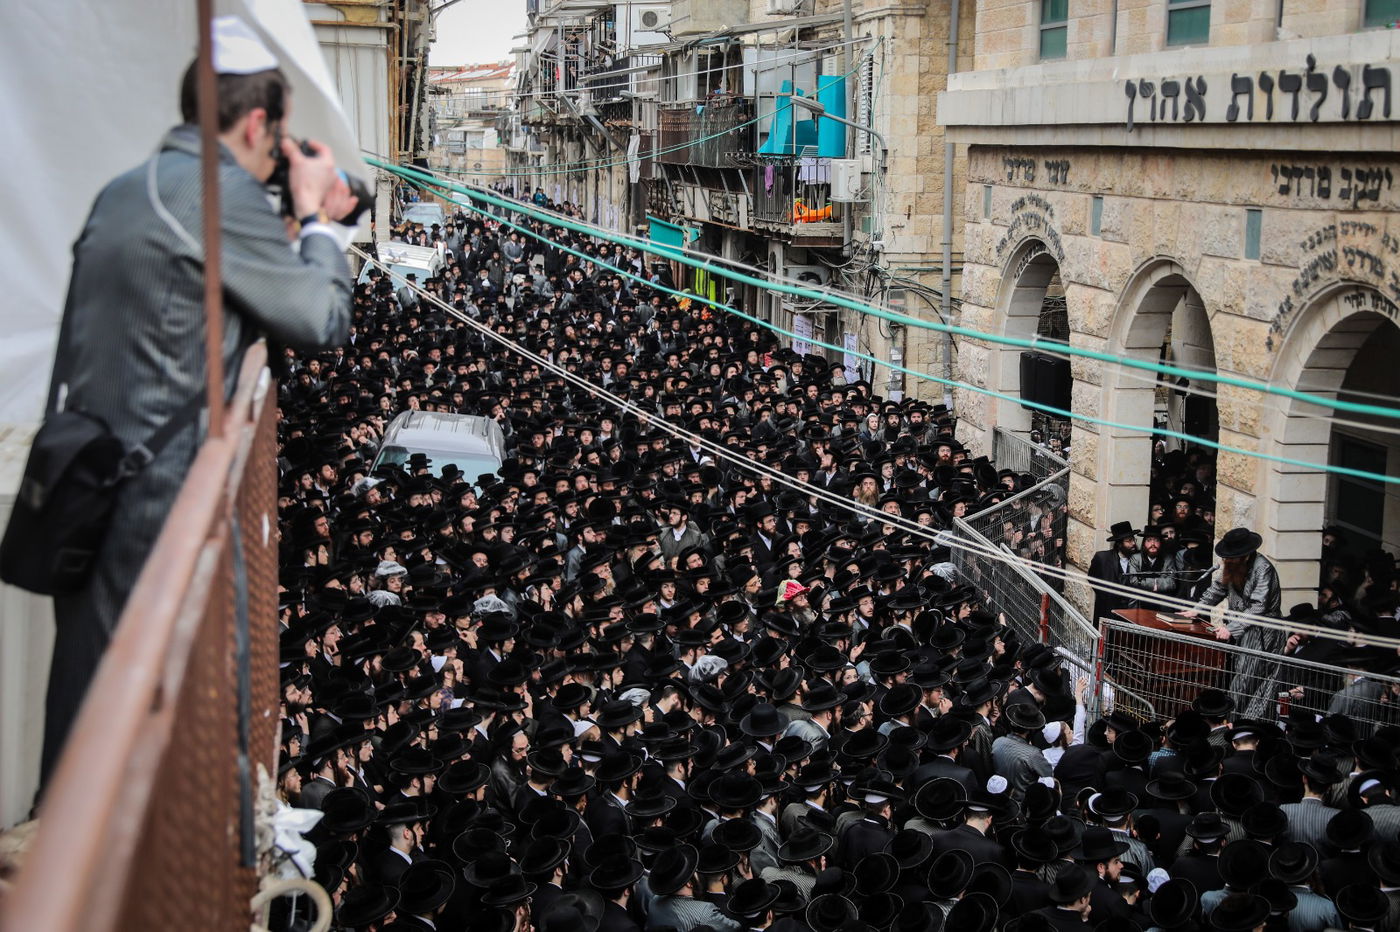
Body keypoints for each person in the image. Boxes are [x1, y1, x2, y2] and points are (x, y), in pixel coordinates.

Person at [37, 16, 357, 788]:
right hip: (158, 501)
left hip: (97, 481)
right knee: (168, 721)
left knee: (94, 706)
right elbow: (321, 320)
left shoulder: (133, 185)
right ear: (258, 124)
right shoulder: (215, 193)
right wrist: (317, 222)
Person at [1179, 528, 1284, 720]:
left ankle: (1242, 723)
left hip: (1262, 632)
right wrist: (1197, 609)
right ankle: (1232, 720)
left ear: (1244, 556)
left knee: (1251, 680)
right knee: (1239, 676)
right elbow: (1217, 588)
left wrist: (1231, 628)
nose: (1227, 560)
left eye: (1232, 557)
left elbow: (1258, 607)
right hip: (1242, 628)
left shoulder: (1263, 568)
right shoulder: (1231, 565)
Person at [1088, 521, 1139, 622]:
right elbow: (1092, 578)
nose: (1133, 543)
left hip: (1130, 614)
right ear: (1119, 544)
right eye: (1129, 541)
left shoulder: (1138, 559)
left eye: (1133, 539)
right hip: (1108, 612)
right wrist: (1106, 596)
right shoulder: (1102, 558)